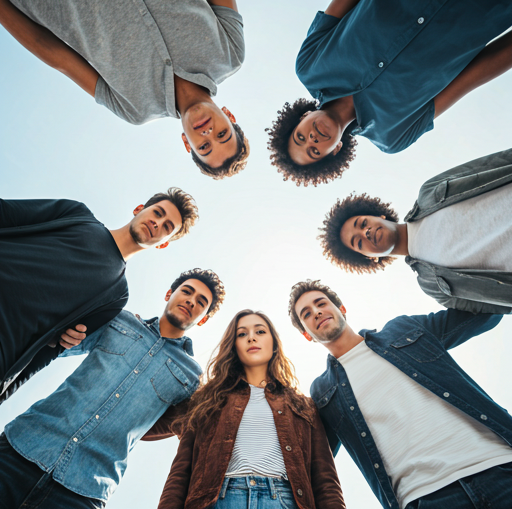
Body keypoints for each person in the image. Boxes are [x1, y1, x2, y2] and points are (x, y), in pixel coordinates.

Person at [0, 268, 225, 509]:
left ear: (203, 318)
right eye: (187, 292)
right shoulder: (120, 320)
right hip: (22, 448)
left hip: (84, 491)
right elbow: (55, 339)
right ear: (169, 293)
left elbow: (177, 427)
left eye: (201, 302)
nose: (191, 300)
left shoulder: (192, 377)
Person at [289, 279, 512, 509]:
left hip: (500, 467)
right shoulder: (323, 392)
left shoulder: (403, 330)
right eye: (306, 314)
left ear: (342, 308)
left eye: (320, 303)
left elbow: (485, 312)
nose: (316, 312)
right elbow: (311, 461)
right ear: (307, 335)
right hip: (424, 498)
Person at [267, 0, 512, 186]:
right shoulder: (394, 137)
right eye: (315, 151)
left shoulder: (310, 65)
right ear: (335, 150)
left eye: (300, 137)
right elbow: (473, 76)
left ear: (302, 118)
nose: (312, 140)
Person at [0, 0, 250, 179]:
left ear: (187, 144)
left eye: (204, 147)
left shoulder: (134, 109)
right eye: (222, 134)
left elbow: (61, 59)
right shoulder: (231, 53)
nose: (208, 133)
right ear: (229, 117)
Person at [0, 187, 198, 402]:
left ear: (164, 244)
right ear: (139, 209)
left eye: (167, 227)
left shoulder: (117, 296)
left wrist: (5, 390)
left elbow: (50, 352)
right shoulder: (77, 214)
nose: (157, 223)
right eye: (157, 213)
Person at [146, 309, 345, 509]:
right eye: (242, 334)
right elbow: (181, 471)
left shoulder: (304, 406)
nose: (251, 338)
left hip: (285, 500)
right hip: (217, 500)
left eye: (260, 332)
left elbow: (325, 479)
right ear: (234, 346)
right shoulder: (206, 400)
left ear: (274, 344)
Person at [318, 148, 512, 314]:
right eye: (358, 242)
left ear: (378, 215)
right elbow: (497, 305)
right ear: (370, 258)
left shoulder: (429, 192)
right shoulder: (432, 286)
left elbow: (491, 163)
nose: (365, 233)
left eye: (362, 223)